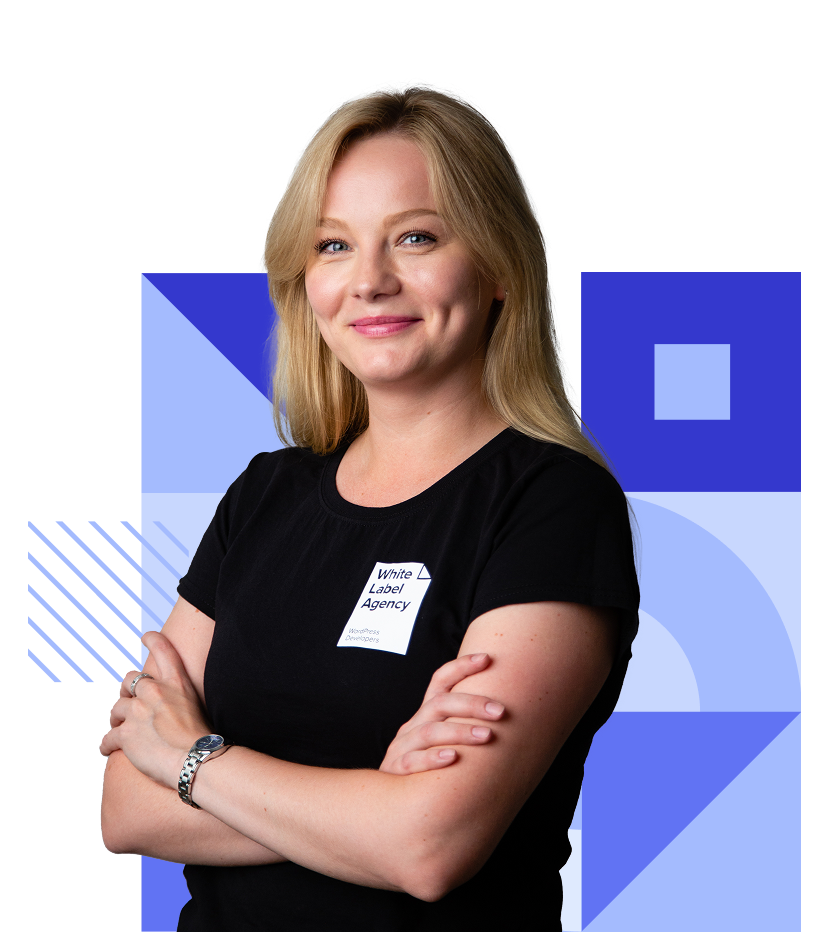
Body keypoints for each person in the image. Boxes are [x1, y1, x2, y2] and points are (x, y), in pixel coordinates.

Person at [100, 82, 640, 931]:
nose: (371, 281)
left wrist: (192, 759)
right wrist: (374, 796)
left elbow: (427, 849)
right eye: (334, 245)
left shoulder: (554, 504)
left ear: (499, 266)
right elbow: (126, 808)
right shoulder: (263, 495)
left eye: (415, 237)